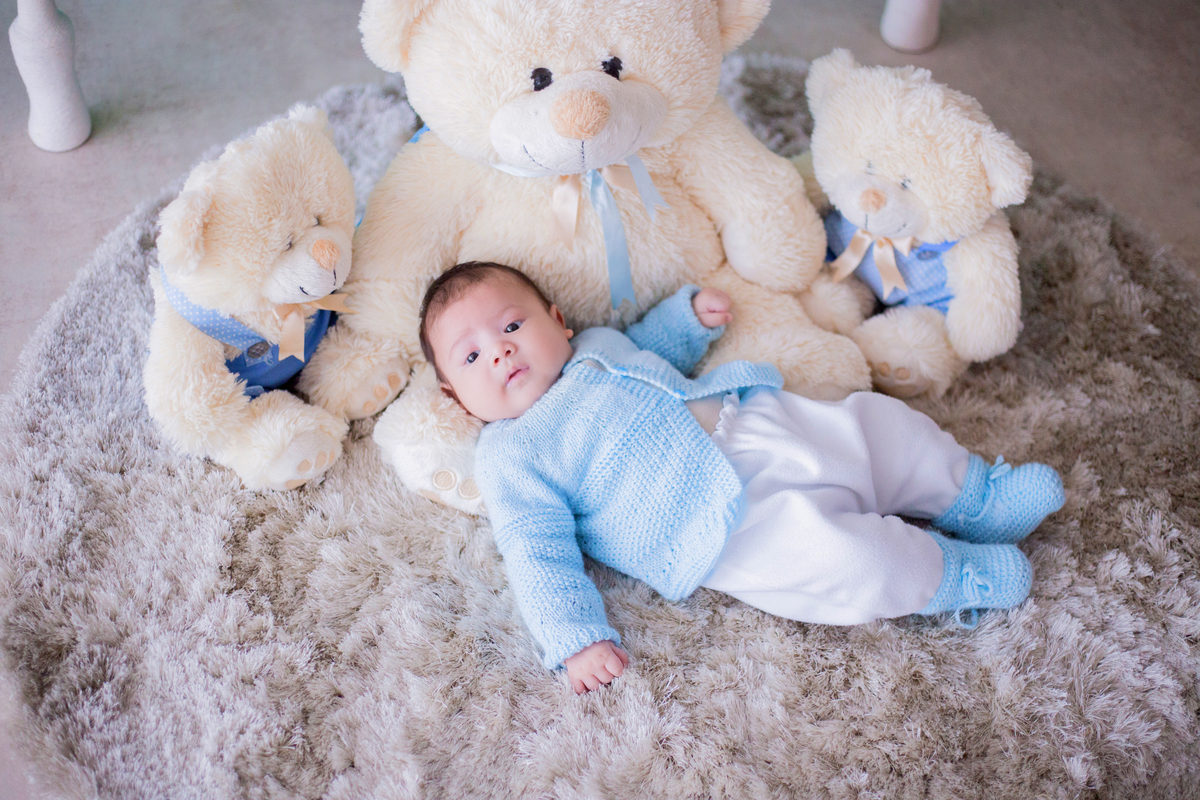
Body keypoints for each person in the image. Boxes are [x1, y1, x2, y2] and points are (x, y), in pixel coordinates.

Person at [418, 261, 1065, 694]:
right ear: (455, 396)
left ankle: (976, 495)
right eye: (471, 354)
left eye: (510, 325)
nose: (500, 349)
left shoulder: (597, 347)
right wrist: (575, 638)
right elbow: (536, 552)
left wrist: (686, 320)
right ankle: (953, 576)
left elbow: (654, 349)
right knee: (847, 563)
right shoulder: (510, 455)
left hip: (757, 426)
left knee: (879, 429)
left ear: (558, 322)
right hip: (718, 528)